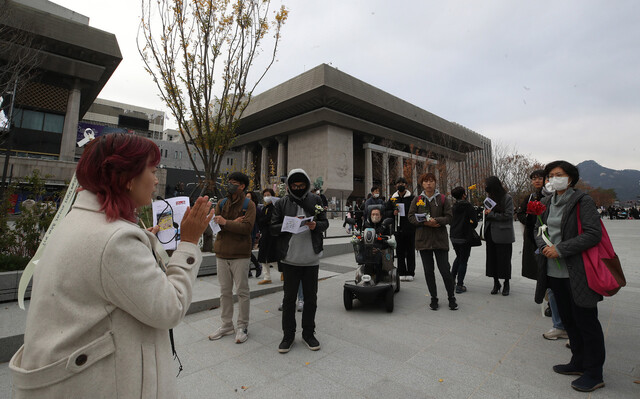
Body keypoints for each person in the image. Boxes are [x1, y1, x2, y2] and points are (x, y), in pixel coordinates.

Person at [9, 133, 214, 398]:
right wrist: (188, 242)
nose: (155, 180)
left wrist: (140, 245)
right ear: (127, 178)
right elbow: (170, 308)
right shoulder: (115, 241)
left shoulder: (81, 220)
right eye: (152, 171)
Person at [534, 160, 606, 392]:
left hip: (578, 272)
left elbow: (593, 234)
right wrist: (544, 246)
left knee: (586, 322)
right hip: (554, 272)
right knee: (568, 320)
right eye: (551, 175)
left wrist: (561, 249)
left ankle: (594, 373)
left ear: (571, 178)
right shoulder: (546, 202)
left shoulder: (581, 201)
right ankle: (578, 362)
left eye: (559, 174)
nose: (554, 178)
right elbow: (539, 229)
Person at [270, 168, 329, 353]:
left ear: (307, 185)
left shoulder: (316, 200)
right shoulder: (281, 203)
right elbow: (272, 227)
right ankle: (288, 336)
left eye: (301, 185)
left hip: (311, 259)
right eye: (294, 185)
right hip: (290, 259)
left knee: (311, 299)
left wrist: (315, 225)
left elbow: (324, 222)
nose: (297, 188)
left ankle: (308, 334)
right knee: (289, 300)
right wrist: (289, 224)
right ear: (289, 186)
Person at [208, 172, 256, 344]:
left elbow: (246, 228)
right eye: (229, 182)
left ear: (242, 186)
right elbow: (215, 226)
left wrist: (226, 222)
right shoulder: (221, 203)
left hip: (240, 255)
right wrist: (232, 222)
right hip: (221, 253)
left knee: (242, 291)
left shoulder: (249, 205)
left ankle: (242, 326)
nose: (229, 185)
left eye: (234, 182)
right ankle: (226, 325)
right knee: (224, 292)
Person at [408, 173, 458, 311]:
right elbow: (411, 217)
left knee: (445, 271)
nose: (428, 183)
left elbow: (449, 216)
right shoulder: (418, 199)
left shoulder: (442, 199)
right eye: (425, 181)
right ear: (422, 184)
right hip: (423, 241)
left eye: (431, 181)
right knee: (428, 271)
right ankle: (434, 298)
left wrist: (437, 221)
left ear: (435, 183)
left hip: (439, 241)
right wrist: (425, 223)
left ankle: (451, 297)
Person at [483, 176, 515, 296]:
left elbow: (509, 215)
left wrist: (492, 215)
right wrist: (486, 213)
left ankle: (506, 283)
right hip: (490, 233)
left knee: (505, 260)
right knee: (492, 259)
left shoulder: (507, 198)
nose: (486, 188)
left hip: (504, 234)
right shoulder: (488, 198)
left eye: (487, 185)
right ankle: (496, 283)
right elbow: (487, 213)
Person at [517, 169, 546, 280]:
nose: (537, 181)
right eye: (534, 179)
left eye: (540, 178)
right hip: (531, 234)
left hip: (546, 235)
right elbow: (520, 213)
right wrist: (530, 222)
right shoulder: (530, 197)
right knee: (535, 266)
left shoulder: (551, 195)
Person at [385, 177, 416, 281]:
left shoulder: (412, 198)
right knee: (400, 252)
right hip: (398, 229)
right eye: (398, 183)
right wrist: (392, 213)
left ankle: (411, 272)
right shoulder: (392, 199)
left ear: (406, 185)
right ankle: (402, 272)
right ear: (395, 186)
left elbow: (417, 211)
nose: (400, 185)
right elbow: (386, 211)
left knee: (410, 252)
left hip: (410, 229)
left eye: (403, 183)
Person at [449, 186, 478, 293]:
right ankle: (460, 285)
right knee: (463, 260)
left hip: (454, 236)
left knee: (459, 256)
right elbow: (474, 222)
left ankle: (451, 279)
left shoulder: (453, 207)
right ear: (463, 195)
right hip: (465, 236)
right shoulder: (468, 206)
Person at [257, 188, 279, 285]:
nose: (266, 197)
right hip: (265, 234)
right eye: (265, 195)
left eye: (268, 195)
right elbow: (261, 220)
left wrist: (264, 220)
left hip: (272, 235)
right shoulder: (264, 208)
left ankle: (283, 272)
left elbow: (269, 218)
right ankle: (267, 277)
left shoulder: (275, 207)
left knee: (272, 256)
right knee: (263, 256)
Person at [246, 191, 262, 278]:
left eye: (249, 197)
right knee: (244, 252)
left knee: (247, 252)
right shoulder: (244, 207)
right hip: (244, 231)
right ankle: (248, 270)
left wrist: (258, 232)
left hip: (252, 232)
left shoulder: (256, 209)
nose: (247, 198)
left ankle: (257, 266)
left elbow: (260, 221)